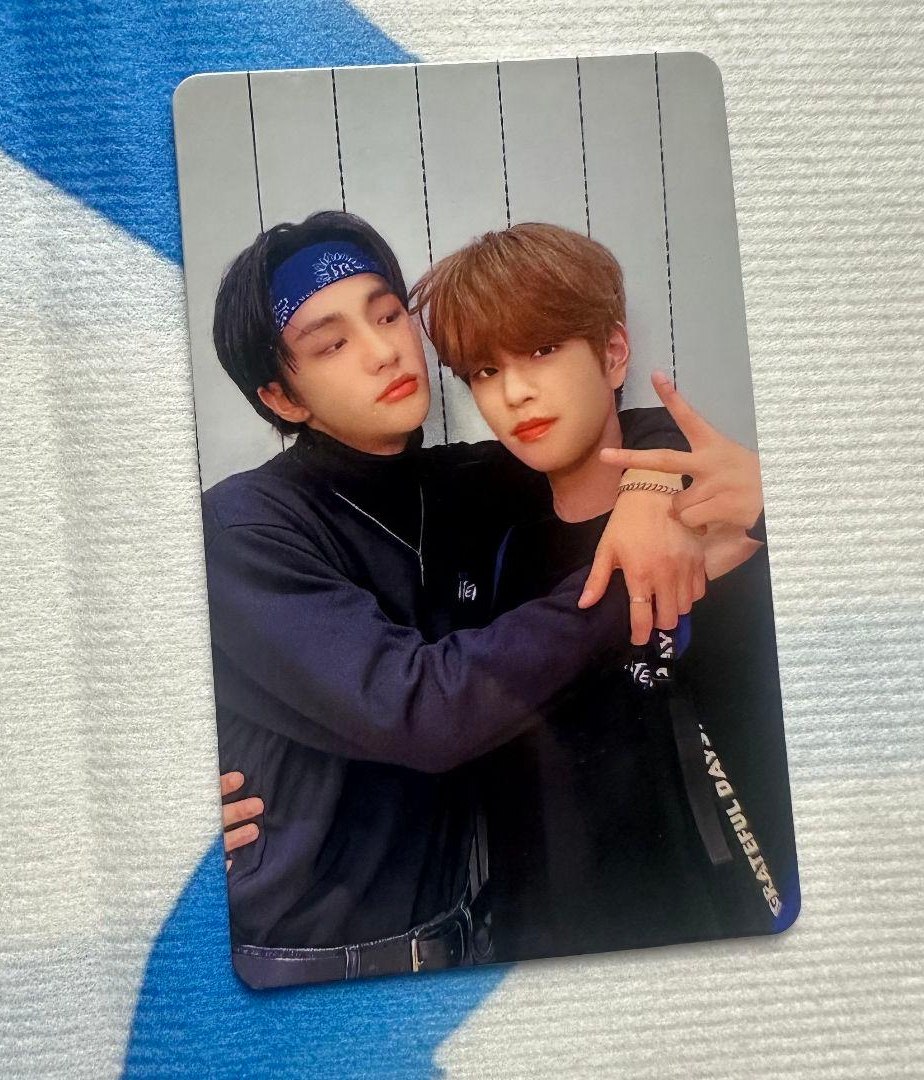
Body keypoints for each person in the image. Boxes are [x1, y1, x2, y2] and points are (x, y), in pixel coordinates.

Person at [203, 210, 706, 987]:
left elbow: (616, 427)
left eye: (387, 315)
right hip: (305, 968)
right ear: (282, 397)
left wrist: (650, 487)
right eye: (332, 344)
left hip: (464, 948)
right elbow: (422, 711)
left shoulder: (461, 486)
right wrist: (630, 579)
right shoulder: (247, 526)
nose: (383, 351)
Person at [412, 222, 798, 961]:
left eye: (543, 350)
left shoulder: (720, 524)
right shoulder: (485, 536)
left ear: (614, 353)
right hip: (534, 958)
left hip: (721, 943)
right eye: (485, 371)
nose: (515, 392)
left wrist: (761, 498)